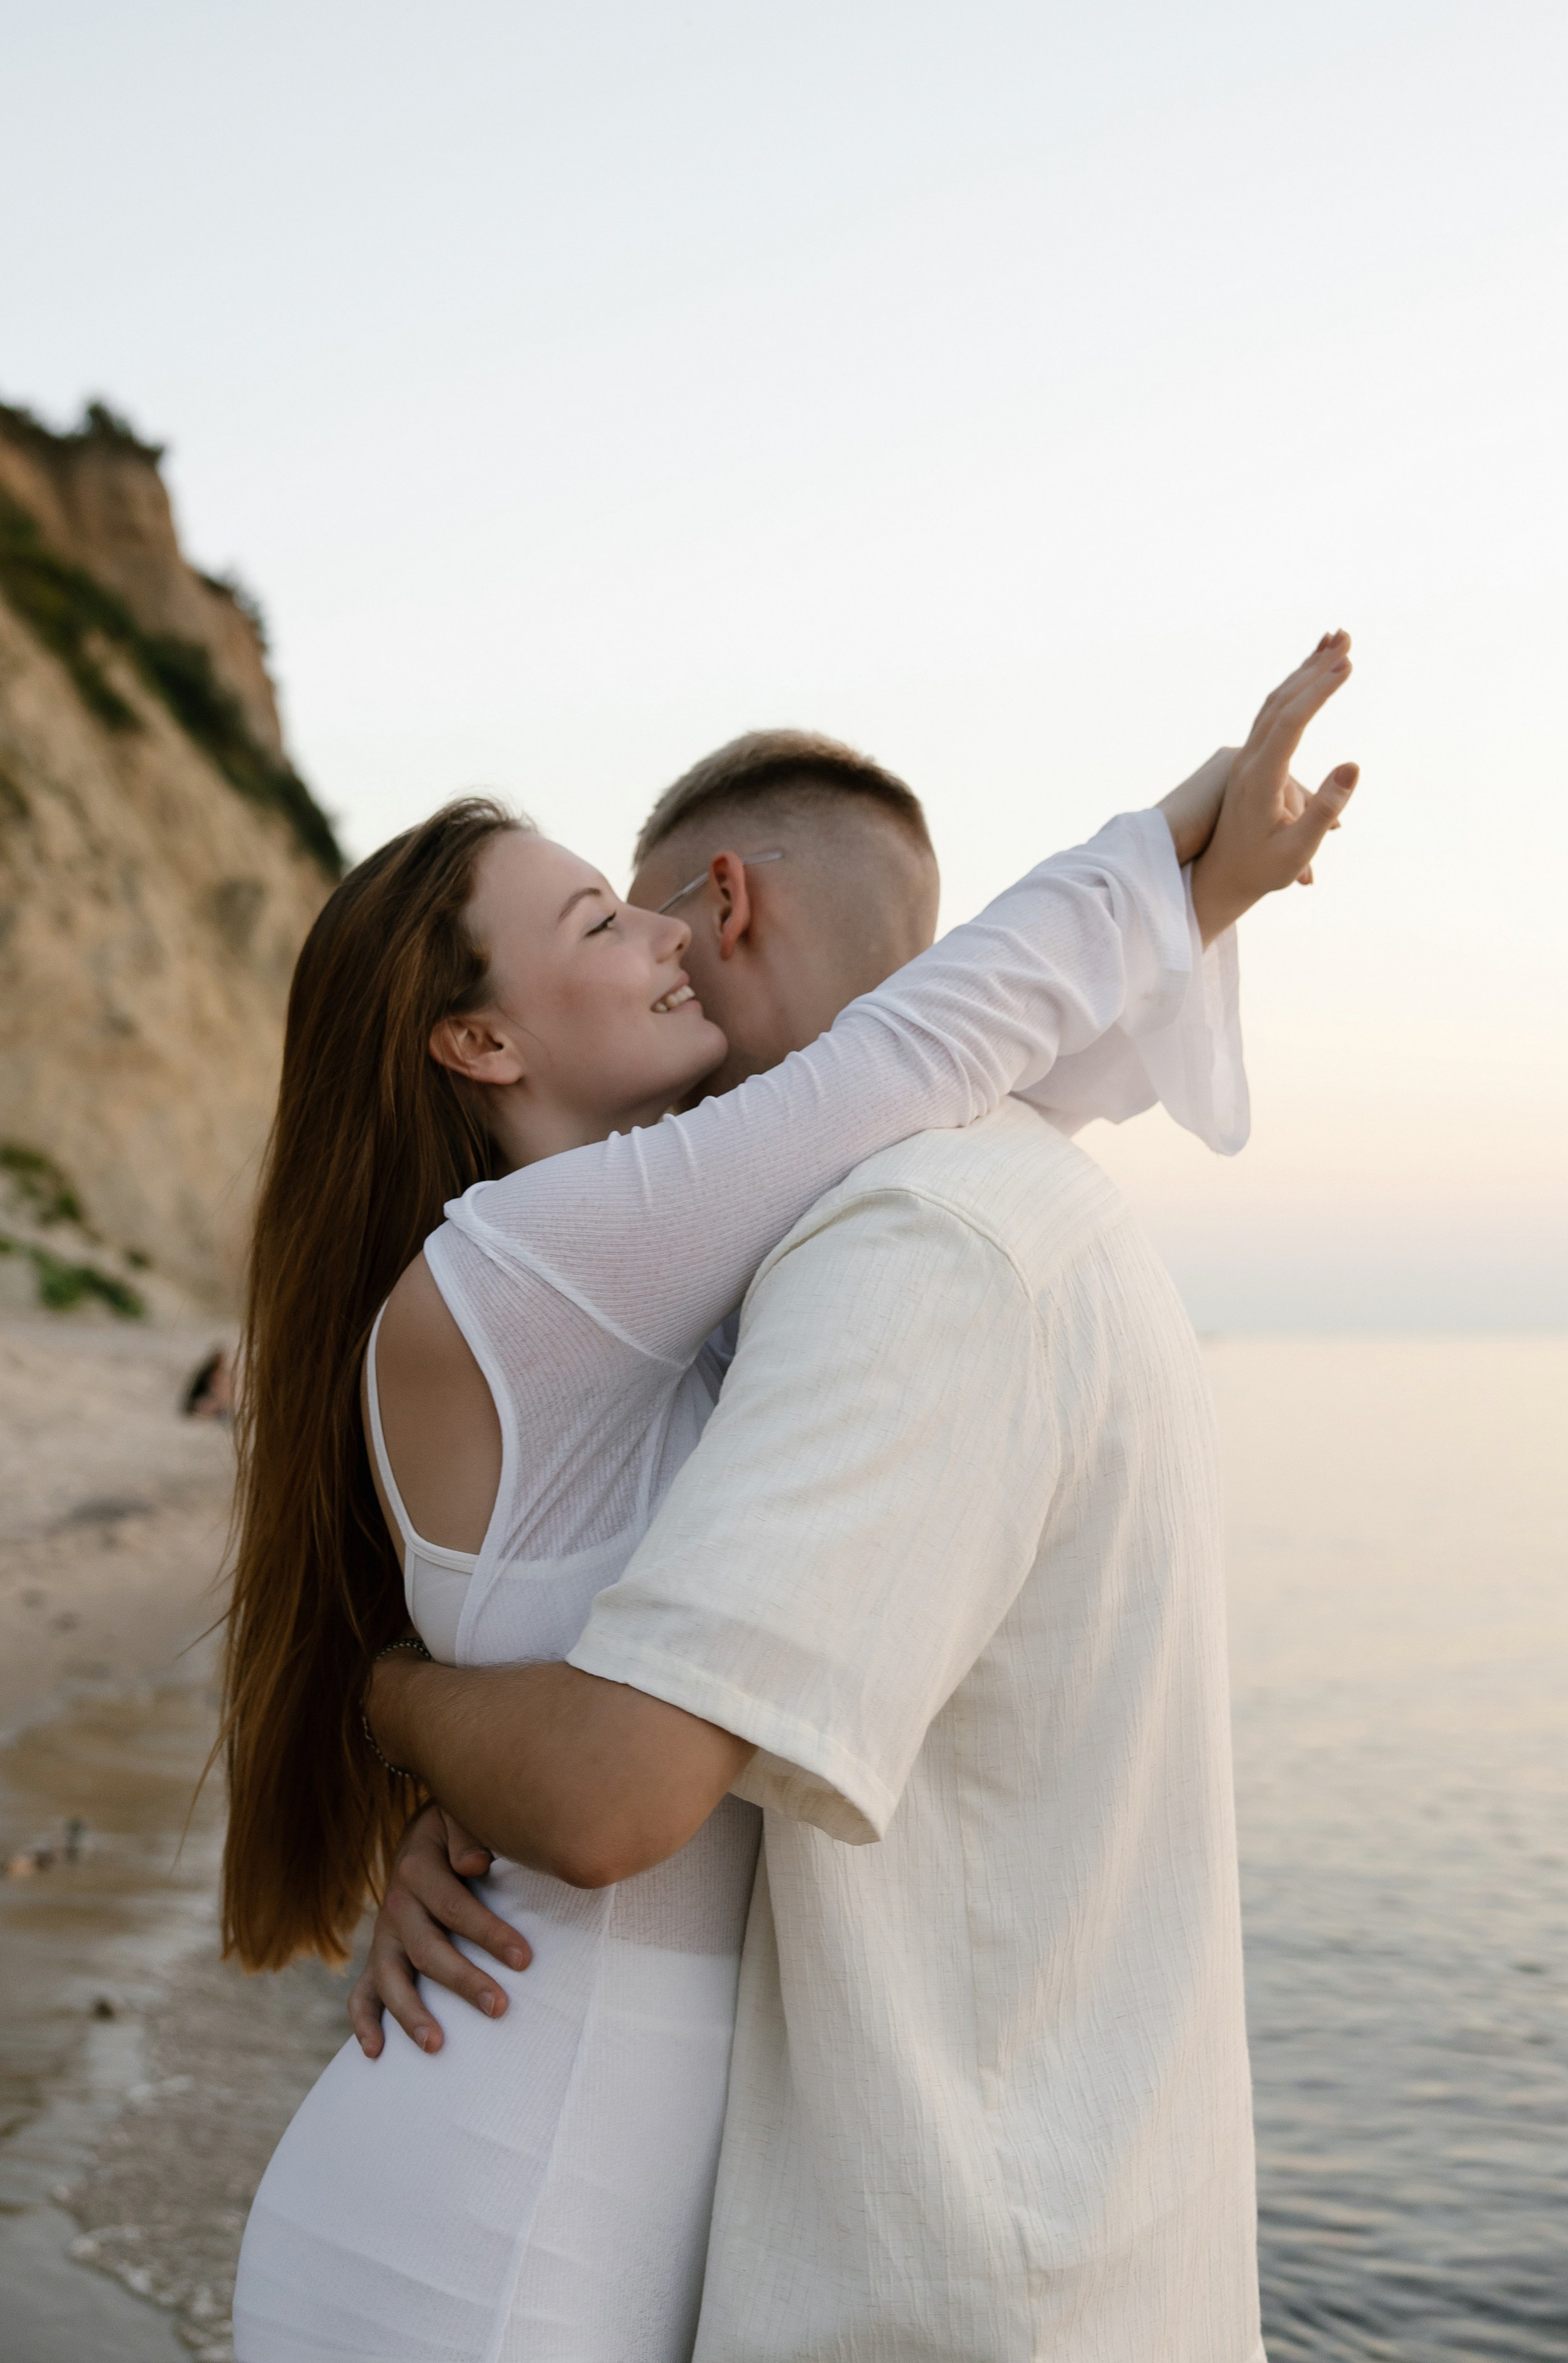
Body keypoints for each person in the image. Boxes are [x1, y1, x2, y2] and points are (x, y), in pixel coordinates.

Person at [228, 642, 1356, 2363]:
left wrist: (1201, 890)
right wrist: (1177, 856)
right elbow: (905, 1057)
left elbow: (973, 1070)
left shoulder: (740, 1276)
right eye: (598, 925)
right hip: (496, 2231)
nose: (662, 938)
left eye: (642, 903)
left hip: (589, 2189)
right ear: (476, 1036)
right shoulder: (536, 1263)